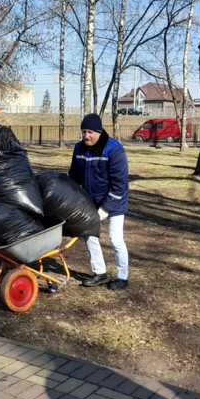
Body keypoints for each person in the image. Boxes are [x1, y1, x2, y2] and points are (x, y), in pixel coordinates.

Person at [68, 113, 129, 290]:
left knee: (115, 239)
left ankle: (122, 277)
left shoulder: (114, 150)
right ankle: (100, 273)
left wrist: (104, 210)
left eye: (90, 132)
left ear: (99, 132)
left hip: (115, 200)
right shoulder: (79, 148)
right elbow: (74, 176)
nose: (86, 136)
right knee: (89, 235)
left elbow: (119, 185)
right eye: (83, 132)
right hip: (91, 200)